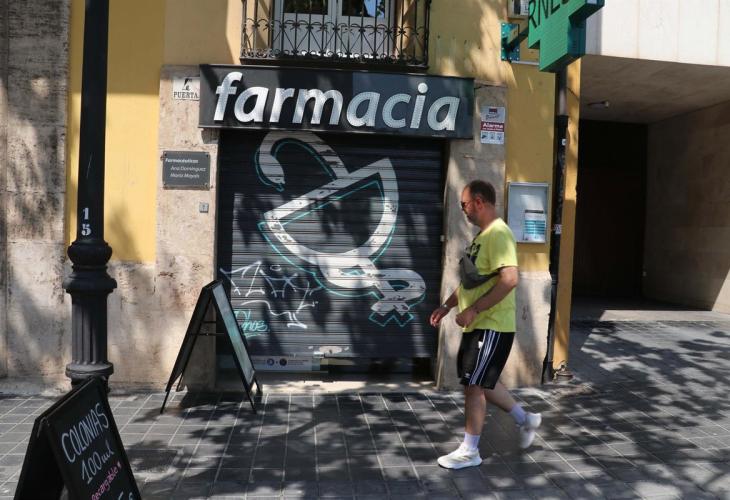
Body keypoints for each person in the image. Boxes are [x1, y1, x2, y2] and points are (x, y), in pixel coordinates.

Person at [430, 180, 542, 470]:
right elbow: (471, 284)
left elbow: (510, 279)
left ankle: (470, 451)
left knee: (474, 385)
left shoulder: (499, 234)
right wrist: (446, 306)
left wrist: (474, 310)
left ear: (479, 202)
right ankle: (526, 420)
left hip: (492, 325)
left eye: (464, 204)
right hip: (479, 324)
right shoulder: (482, 237)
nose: (463, 210)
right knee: (480, 381)